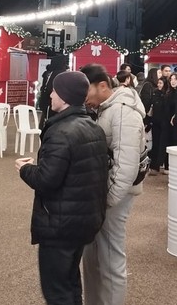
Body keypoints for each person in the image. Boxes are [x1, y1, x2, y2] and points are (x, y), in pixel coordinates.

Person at [16, 71, 109, 305]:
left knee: (57, 289)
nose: (50, 94)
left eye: (55, 90)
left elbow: (47, 179)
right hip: (83, 221)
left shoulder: (61, 132)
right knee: (70, 284)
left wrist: (24, 169)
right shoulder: (92, 127)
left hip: (60, 224)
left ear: (65, 96)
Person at [80, 64, 146, 305]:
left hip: (114, 196)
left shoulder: (122, 111)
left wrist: (106, 201)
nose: (84, 98)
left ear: (103, 86)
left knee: (109, 258)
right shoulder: (106, 109)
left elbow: (125, 166)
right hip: (104, 193)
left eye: (86, 90)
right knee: (94, 255)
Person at [147, 76, 169, 175]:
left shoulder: (168, 94)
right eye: (159, 83)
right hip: (156, 122)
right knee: (156, 144)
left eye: (161, 83)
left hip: (166, 123)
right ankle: (154, 166)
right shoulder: (155, 92)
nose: (159, 85)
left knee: (165, 144)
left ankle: (166, 165)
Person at [37, 55, 69, 121]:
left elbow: (45, 88)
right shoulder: (63, 74)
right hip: (58, 104)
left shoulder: (48, 73)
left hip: (47, 103)